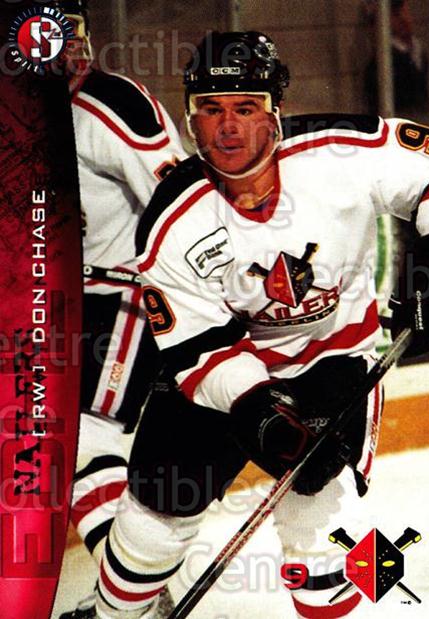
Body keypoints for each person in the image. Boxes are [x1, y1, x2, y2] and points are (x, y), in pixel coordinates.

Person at [88, 31, 429, 619]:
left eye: (246, 107)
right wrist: (257, 409)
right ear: (190, 119)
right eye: (211, 109)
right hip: (223, 376)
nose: (228, 128)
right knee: (153, 519)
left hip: (333, 363)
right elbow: (199, 348)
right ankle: (112, 615)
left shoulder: (338, 151)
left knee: (323, 537)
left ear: (276, 110)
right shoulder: (172, 221)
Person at [53, 2, 186, 617]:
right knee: (57, 448)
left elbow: (180, 202)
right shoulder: (22, 119)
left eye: (70, 32)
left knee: (83, 438)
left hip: (125, 296)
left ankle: (133, 599)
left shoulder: (110, 103)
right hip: (60, 307)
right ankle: (131, 591)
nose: (63, 49)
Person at [364, 0, 429, 124]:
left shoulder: (417, 50)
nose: (404, 19)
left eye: (405, 11)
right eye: (396, 14)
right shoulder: (379, 66)